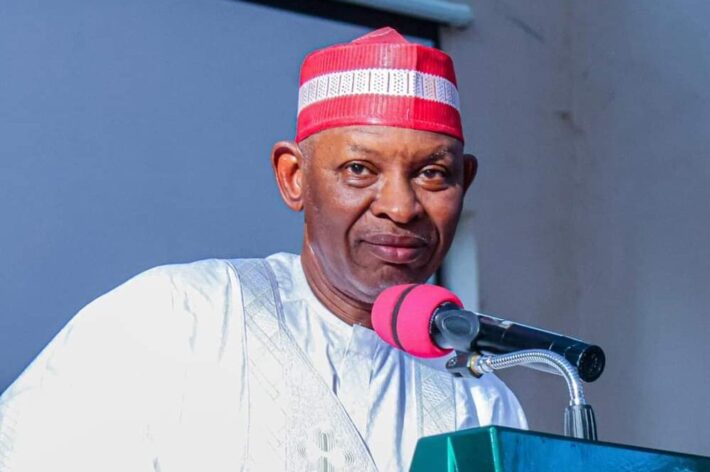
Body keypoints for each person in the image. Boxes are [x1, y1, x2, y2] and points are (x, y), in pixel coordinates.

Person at [0, 27, 526, 471]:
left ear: (465, 181)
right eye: (359, 169)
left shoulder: (479, 404)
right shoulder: (182, 317)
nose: (400, 206)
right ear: (294, 177)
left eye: (432, 173)